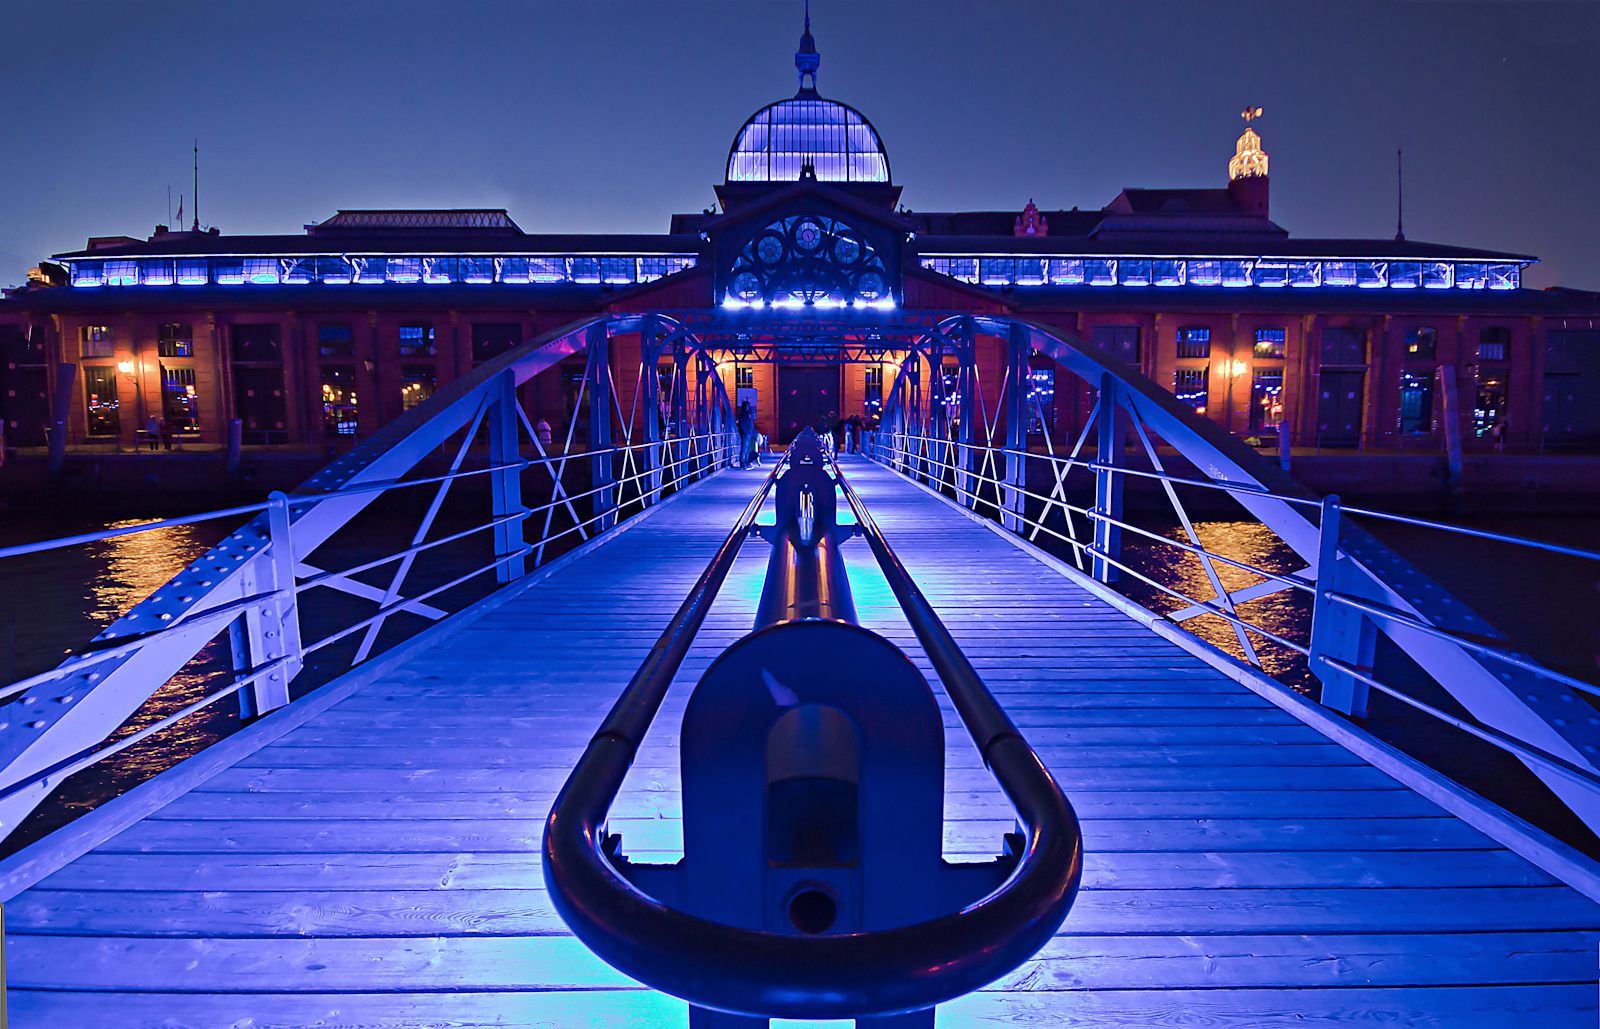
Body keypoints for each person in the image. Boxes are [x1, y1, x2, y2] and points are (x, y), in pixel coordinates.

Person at [735, 400, 755, 469]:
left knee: (747, 449)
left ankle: (746, 462)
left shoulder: (748, 414)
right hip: (745, 434)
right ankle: (743, 463)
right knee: (744, 448)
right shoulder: (743, 415)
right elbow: (742, 424)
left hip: (748, 434)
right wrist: (746, 432)